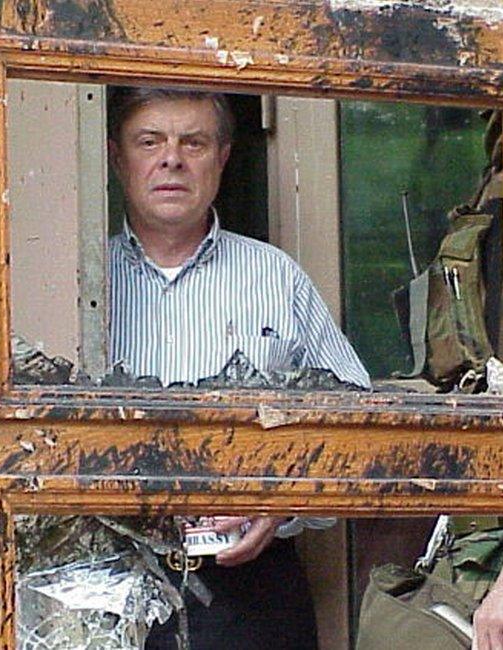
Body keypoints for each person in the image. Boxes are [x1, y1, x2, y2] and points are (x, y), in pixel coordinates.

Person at [106, 85, 369, 650]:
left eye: (193, 141)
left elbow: (360, 430)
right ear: (115, 155)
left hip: (250, 599)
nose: (171, 158)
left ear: (222, 157)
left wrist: (282, 500)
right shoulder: (76, 280)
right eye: (149, 141)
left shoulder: (274, 278)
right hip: (103, 584)